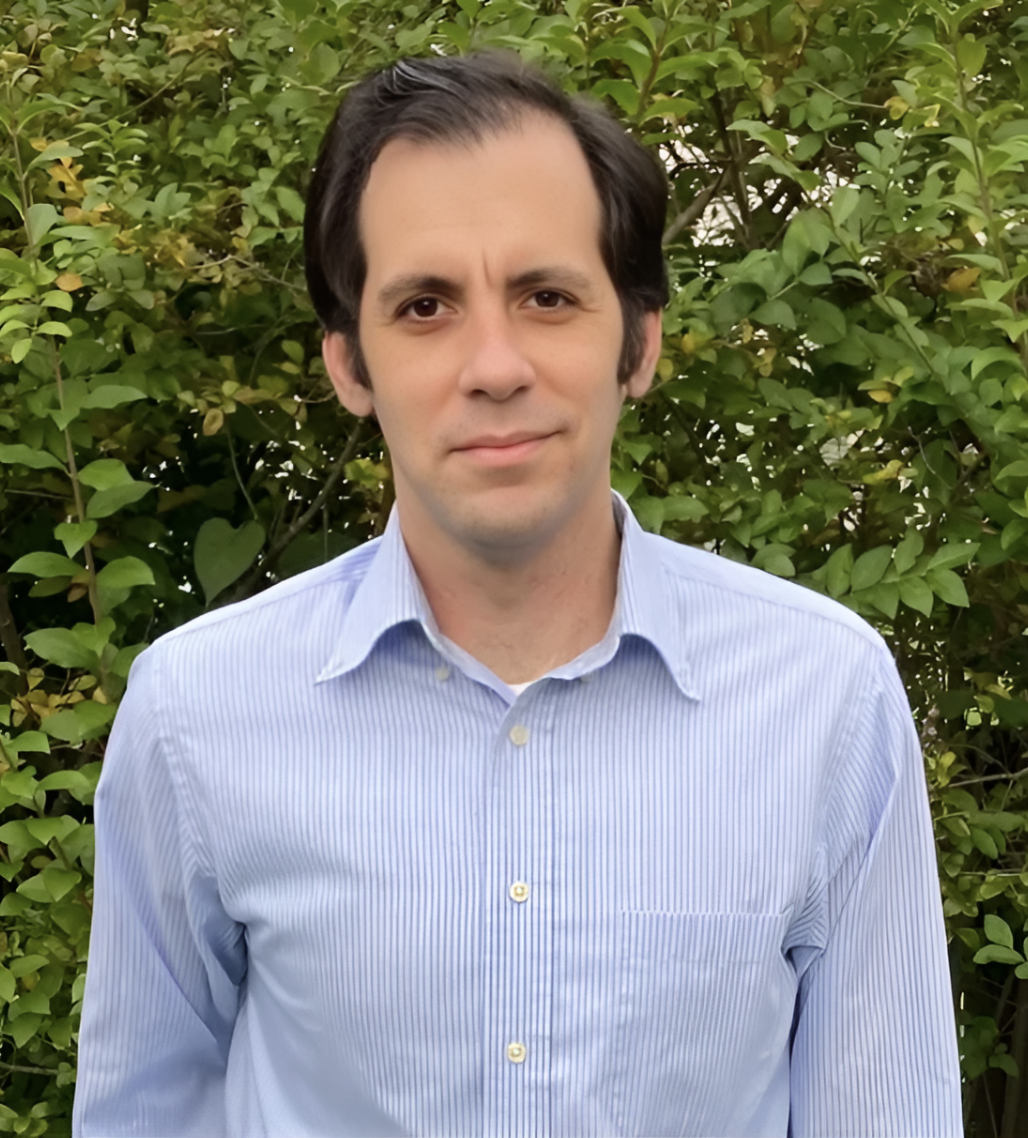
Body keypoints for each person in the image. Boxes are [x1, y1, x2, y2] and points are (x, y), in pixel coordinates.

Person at [74, 52, 962, 1137]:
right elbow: (141, 1113)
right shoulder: (196, 715)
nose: (493, 363)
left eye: (545, 296)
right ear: (349, 365)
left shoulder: (824, 701)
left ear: (638, 341)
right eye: (424, 305)